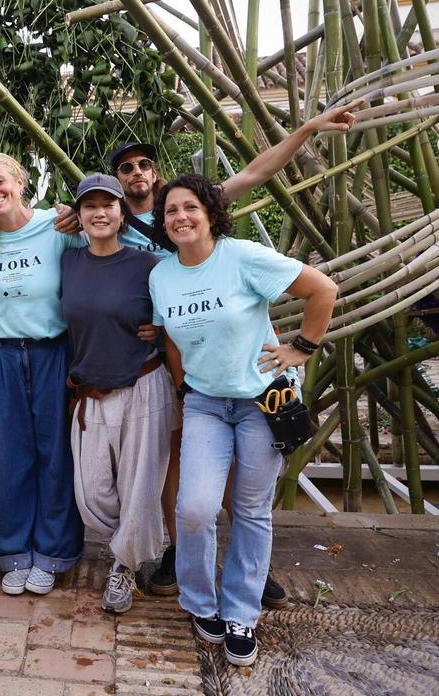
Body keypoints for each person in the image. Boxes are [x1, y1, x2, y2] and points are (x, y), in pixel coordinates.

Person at [112, 99, 362, 602]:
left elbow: (257, 169)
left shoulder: (191, 207)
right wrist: (65, 215)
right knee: (179, 464)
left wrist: (308, 128)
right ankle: (177, 553)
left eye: (144, 164)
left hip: (232, 356)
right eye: (126, 168)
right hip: (168, 357)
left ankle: (249, 561)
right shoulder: (109, 221)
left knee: (236, 474)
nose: (137, 173)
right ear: (116, 180)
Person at [149, 173, 337, 667]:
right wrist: (181, 386)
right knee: (195, 508)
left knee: (251, 509)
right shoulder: (161, 275)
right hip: (206, 404)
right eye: (171, 211)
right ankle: (198, 601)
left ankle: (240, 612)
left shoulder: (243, 256)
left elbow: (323, 290)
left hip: (261, 402)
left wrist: (302, 348)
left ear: (210, 212)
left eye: (190, 207)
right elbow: (170, 337)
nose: (180, 217)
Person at [0, 153, 83, 596]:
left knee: (55, 455)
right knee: (6, 455)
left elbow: (98, 265)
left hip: (53, 353)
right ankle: (14, 550)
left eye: (0, 182)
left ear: (21, 181)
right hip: (0, 357)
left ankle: (53, 551)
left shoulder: (56, 229)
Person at [59, 174, 172, 614]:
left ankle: (124, 567)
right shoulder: (69, 261)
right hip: (90, 391)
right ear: (80, 215)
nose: (100, 213)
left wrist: (160, 334)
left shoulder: (148, 264)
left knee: (140, 484)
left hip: (143, 384)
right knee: (90, 493)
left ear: (123, 213)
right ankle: (137, 542)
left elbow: (176, 314)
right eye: (90, 206)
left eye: (109, 205)